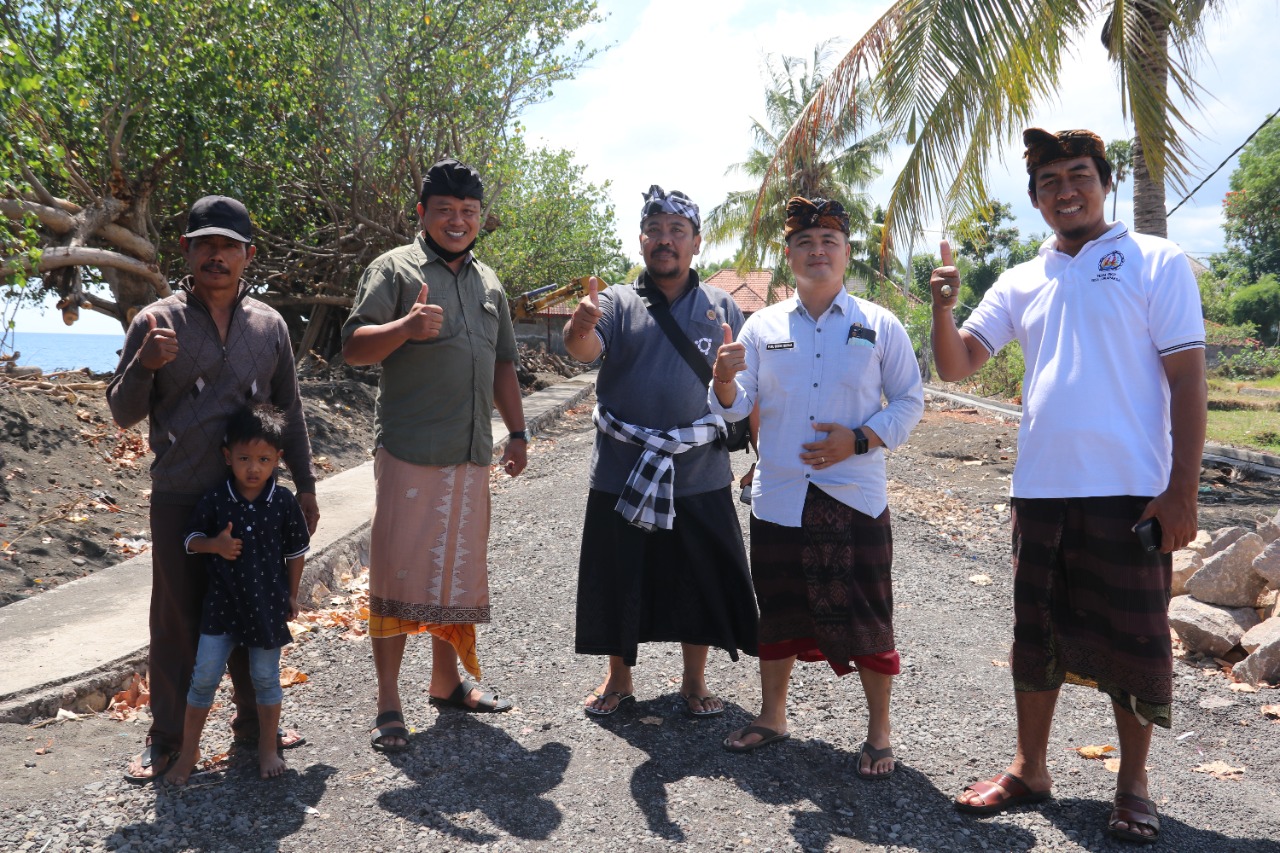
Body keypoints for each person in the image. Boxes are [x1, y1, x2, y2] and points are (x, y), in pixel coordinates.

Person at [933, 128, 1206, 844]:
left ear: (1104, 182)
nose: (1065, 190)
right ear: (1035, 200)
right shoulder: (1023, 278)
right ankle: (1030, 768)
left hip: (1131, 492)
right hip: (1041, 490)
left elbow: (1187, 379)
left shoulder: (1157, 260)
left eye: (1078, 174)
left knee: (1136, 642)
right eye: (1049, 182)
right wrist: (942, 306)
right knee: (1036, 635)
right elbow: (959, 364)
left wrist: (1182, 491)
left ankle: (1133, 783)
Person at [108, 195, 318, 782]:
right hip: (180, 497)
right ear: (187, 251)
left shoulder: (270, 325)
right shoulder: (155, 321)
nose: (217, 255)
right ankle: (166, 740)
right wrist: (145, 364)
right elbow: (122, 412)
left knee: (255, 607)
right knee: (176, 620)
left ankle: (255, 726)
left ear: (248, 255)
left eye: (229, 245)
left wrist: (304, 485)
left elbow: (290, 411)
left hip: (255, 501)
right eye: (206, 244)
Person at [710, 197, 923, 775]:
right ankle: (773, 715)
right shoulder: (762, 327)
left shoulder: (879, 323)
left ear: (846, 253)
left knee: (869, 612)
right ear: (789, 255)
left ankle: (879, 732)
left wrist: (858, 439)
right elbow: (738, 407)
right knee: (776, 607)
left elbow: (910, 400)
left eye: (829, 240)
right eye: (805, 242)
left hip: (854, 493)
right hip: (779, 495)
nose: (818, 250)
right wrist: (725, 380)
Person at [341, 157, 527, 752]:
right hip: (409, 450)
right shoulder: (392, 269)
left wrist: (517, 434)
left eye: (468, 213)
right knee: (398, 575)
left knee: (457, 575)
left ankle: (445, 684)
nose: (457, 221)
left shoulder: (490, 283)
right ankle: (387, 702)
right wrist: (404, 328)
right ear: (422, 214)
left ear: (479, 220)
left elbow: (503, 365)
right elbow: (352, 348)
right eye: (444, 210)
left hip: (472, 453)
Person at [564, 185, 758, 717]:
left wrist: (730, 394)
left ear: (696, 244)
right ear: (641, 241)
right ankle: (618, 677)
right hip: (623, 471)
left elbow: (741, 396)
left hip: (699, 471)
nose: (665, 240)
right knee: (619, 574)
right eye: (655, 230)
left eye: (678, 231)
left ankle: (694, 680)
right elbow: (585, 347)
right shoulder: (616, 302)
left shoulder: (722, 307)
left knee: (697, 576)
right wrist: (579, 326)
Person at [167, 405, 310, 785]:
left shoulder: (282, 502)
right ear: (227, 456)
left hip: (266, 607)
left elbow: (296, 552)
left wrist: (293, 596)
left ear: (278, 460)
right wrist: (215, 545)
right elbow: (189, 539)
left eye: (264, 459)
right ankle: (189, 752)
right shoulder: (217, 499)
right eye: (244, 458)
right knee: (204, 679)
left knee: (266, 679)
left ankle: (267, 748)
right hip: (221, 608)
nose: (253, 468)